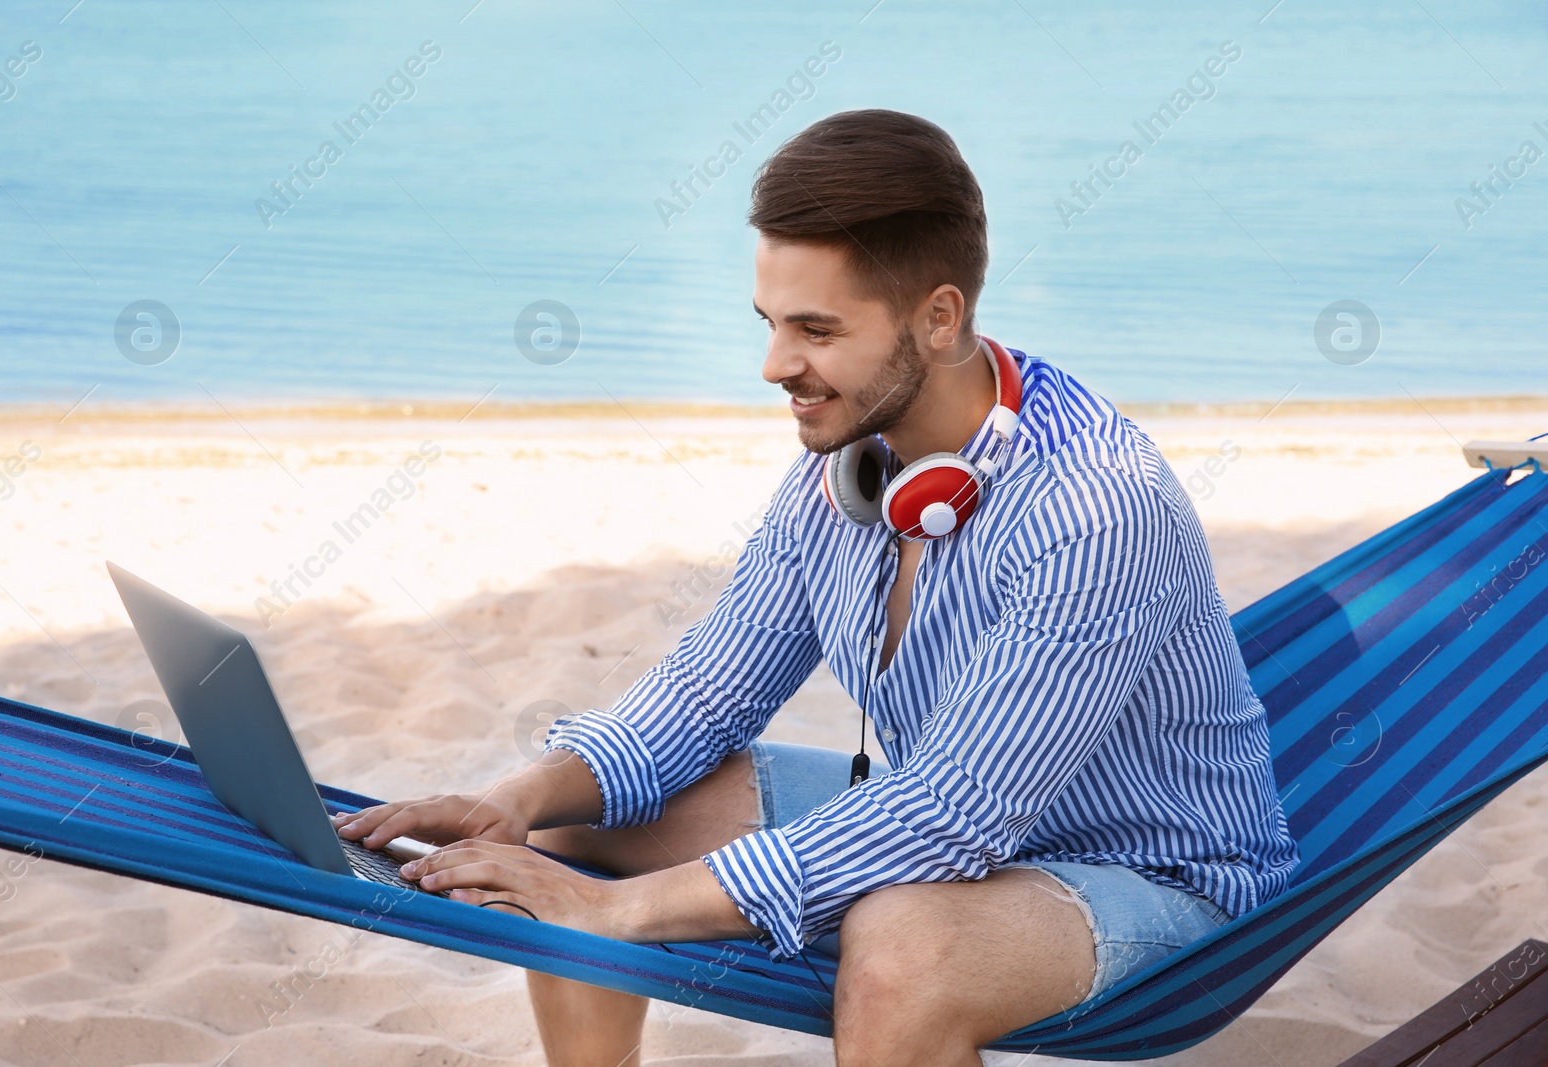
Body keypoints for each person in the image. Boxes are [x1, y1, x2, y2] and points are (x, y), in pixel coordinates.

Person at [333, 108, 1301, 1067]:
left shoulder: (1093, 509)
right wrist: (515, 795)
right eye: (768, 322)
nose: (774, 366)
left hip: (1152, 876)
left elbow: (954, 810)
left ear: (938, 315)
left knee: (902, 948)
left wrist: (625, 907)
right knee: (592, 811)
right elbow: (707, 694)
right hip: (964, 815)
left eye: (815, 329)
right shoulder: (847, 458)